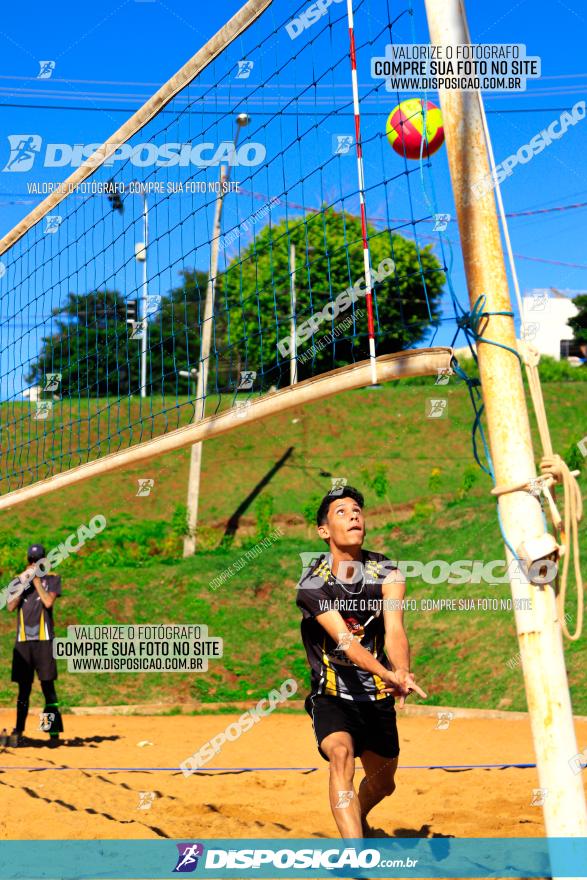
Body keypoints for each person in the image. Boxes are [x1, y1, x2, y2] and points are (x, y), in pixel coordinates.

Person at [296, 486, 426, 838]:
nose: (354, 515)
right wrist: (386, 672)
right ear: (323, 531)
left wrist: (399, 671)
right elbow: (346, 642)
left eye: (357, 510)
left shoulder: (387, 572)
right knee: (340, 755)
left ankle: (359, 817)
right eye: (341, 511)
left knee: (384, 784)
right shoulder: (313, 584)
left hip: (376, 697)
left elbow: (395, 629)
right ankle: (356, 854)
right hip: (333, 694)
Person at [4, 545, 64, 747]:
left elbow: (48, 603)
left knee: (48, 687)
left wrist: (37, 583)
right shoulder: (19, 580)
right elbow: (11, 606)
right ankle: (19, 731)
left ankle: (52, 733)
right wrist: (22, 584)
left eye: (37, 561)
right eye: (31, 560)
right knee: (23, 690)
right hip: (23, 642)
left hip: (44, 641)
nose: (33, 564)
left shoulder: (52, 579)